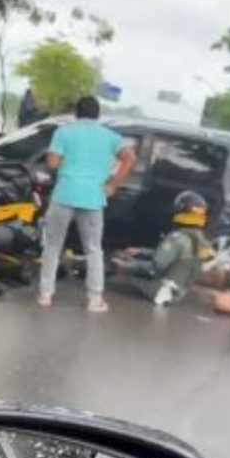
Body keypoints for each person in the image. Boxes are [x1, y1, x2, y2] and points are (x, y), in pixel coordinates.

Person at [39, 96, 137, 313]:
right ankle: (94, 299)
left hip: (64, 193)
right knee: (93, 249)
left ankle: (46, 294)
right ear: (98, 114)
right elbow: (130, 158)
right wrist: (113, 184)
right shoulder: (110, 137)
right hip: (93, 197)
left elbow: (53, 163)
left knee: (53, 246)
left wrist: (70, 162)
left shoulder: (63, 132)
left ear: (76, 113)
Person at [110, 190, 215, 306]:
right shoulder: (201, 240)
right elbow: (174, 256)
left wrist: (127, 266)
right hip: (178, 292)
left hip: (160, 290)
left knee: (118, 258)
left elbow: (156, 266)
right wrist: (140, 251)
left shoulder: (177, 238)